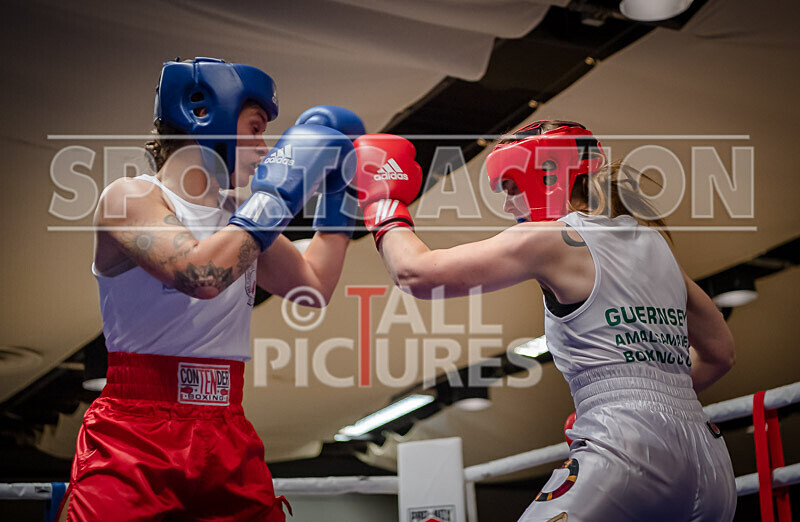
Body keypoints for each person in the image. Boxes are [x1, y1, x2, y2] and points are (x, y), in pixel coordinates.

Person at [353, 121, 737, 521]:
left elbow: (416, 273)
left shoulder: (551, 238)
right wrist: (645, 396)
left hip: (626, 447)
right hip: (708, 460)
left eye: (510, 187)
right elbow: (720, 354)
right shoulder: (655, 245)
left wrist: (382, 202)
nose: (508, 206)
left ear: (547, 175)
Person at [57, 57, 363, 521]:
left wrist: (341, 194)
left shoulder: (234, 217)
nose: (266, 149)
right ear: (206, 113)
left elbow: (313, 286)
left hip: (226, 427)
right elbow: (200, 276)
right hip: (137, 430)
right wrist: (276, 196)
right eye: (256, 129)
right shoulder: (130, 197)